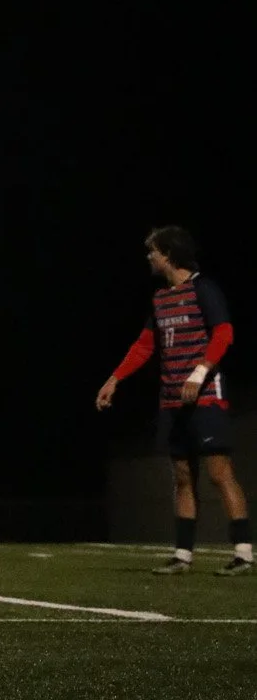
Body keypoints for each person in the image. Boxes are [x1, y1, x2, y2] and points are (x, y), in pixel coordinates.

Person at [96, 226, 252, 575]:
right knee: (182, 475)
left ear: (168, 254)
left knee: (219, 473)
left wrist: (199, 373)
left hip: (206, 395)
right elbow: (144, 346)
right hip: (171, 400)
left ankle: (243, 553)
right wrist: (114, 379)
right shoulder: (160, 299)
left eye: (153, 251)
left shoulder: (203, 289)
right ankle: (183, 555)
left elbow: (224, 333)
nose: (149, 257)